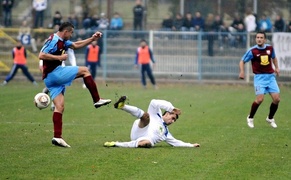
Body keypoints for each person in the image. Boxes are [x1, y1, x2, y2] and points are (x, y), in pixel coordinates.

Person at [38, 22, 111, 147]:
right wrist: (58, 58)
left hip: (49, 79)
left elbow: (76, 45)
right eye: (71, 33)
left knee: (59, 107)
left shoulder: (62, 40)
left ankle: (57, 137)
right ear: (66, 31)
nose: (71, 35)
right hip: (54, 73)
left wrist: (92, 38)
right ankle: (97, 99)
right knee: (85, 70)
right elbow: (41, 55)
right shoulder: (54, 40)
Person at [104, 96, 200, 148]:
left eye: (174, 120)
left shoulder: (166, 133)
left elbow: (176, 143)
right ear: (167, 113)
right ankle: (122, 106)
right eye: (173, 117)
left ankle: (116, 144)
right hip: (140, 129)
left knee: (148, 144)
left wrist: (191, 145)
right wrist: (172, 108)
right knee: (146, 117)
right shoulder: (156, 114)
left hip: (143, 140)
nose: (173, 121)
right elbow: (154, 102)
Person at [239, 31, 280, 128]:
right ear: (255, 39)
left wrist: (277, 67)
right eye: (257, 37)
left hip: (270, 77)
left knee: (277, 99)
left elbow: (274, 58)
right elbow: (242, 61)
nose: (259, 39)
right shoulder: (252, 51)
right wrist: (242, 71)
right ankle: (250, 117)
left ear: (265, 39)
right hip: (259, 78)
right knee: (260, 99)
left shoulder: (270, 48)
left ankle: (270, 118)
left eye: (261, 37)